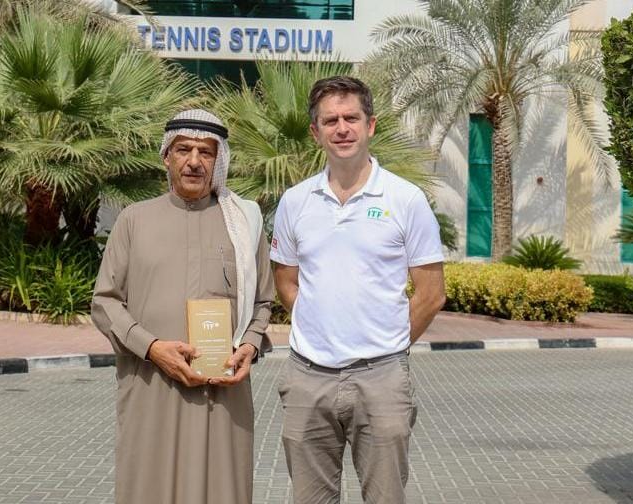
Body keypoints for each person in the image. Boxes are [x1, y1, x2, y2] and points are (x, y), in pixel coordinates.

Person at [270, 76, 446, 504]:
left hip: (381, 379)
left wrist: (386, 342)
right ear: (315, 132)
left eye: (351, 118)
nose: (342, 128)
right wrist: (322, 328)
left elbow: (431, 293)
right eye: (330, 121)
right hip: (307, 377)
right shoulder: (295, 201)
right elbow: (286, 282)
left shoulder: (405, 199)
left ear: (371, 125)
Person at [91, 109, 274, 504]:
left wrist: (250, 345)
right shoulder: (133, 220)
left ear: (218, 161)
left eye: (206, 152)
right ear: (166, 157)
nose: (194, 161)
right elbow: (105, 302)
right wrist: (152, 347)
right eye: (184, 149)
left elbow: (263, 301)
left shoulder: (243, 224)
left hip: (223, 394)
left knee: (222, 490)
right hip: (150, 387)